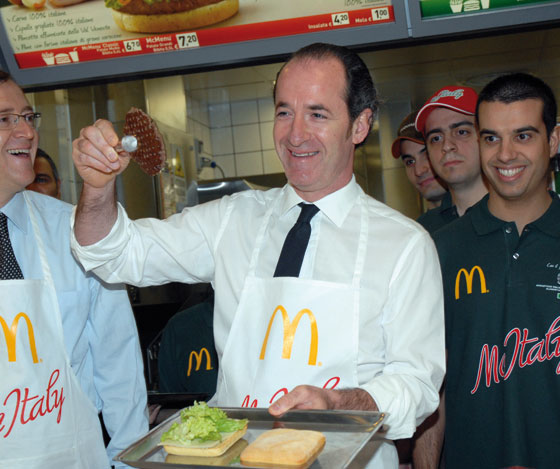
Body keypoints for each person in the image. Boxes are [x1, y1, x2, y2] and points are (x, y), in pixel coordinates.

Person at [70, 43, 445, 467]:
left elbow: (417, 382)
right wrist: (98, 187)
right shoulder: (233, 220)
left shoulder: (404, 244)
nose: (295, 134)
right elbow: (110, 253)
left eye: (317, 114)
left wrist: (342, 403)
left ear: (359, 126)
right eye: (285, 112)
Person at [0, 71, 148, 469]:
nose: (26, 132)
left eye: (28, 117)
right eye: (5, 119)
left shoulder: (77, 230)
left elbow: (118, 360)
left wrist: (128, 460)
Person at [431, 73, 560, 468]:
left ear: (553, 140)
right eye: (491, 138)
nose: (505, 155)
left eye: (523, 136)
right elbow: (432, 383)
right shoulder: (440, 249)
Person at [415, 85, 488, 234]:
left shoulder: (516, 216)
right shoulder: (421, 232)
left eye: (461, 132)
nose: (447, 146)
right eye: (436, 138)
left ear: (485, 138)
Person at [391, 110, 447, 210]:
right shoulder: (415, 225)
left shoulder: (481, 214)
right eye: (410, 162)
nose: (419, 171)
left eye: (427, 155)